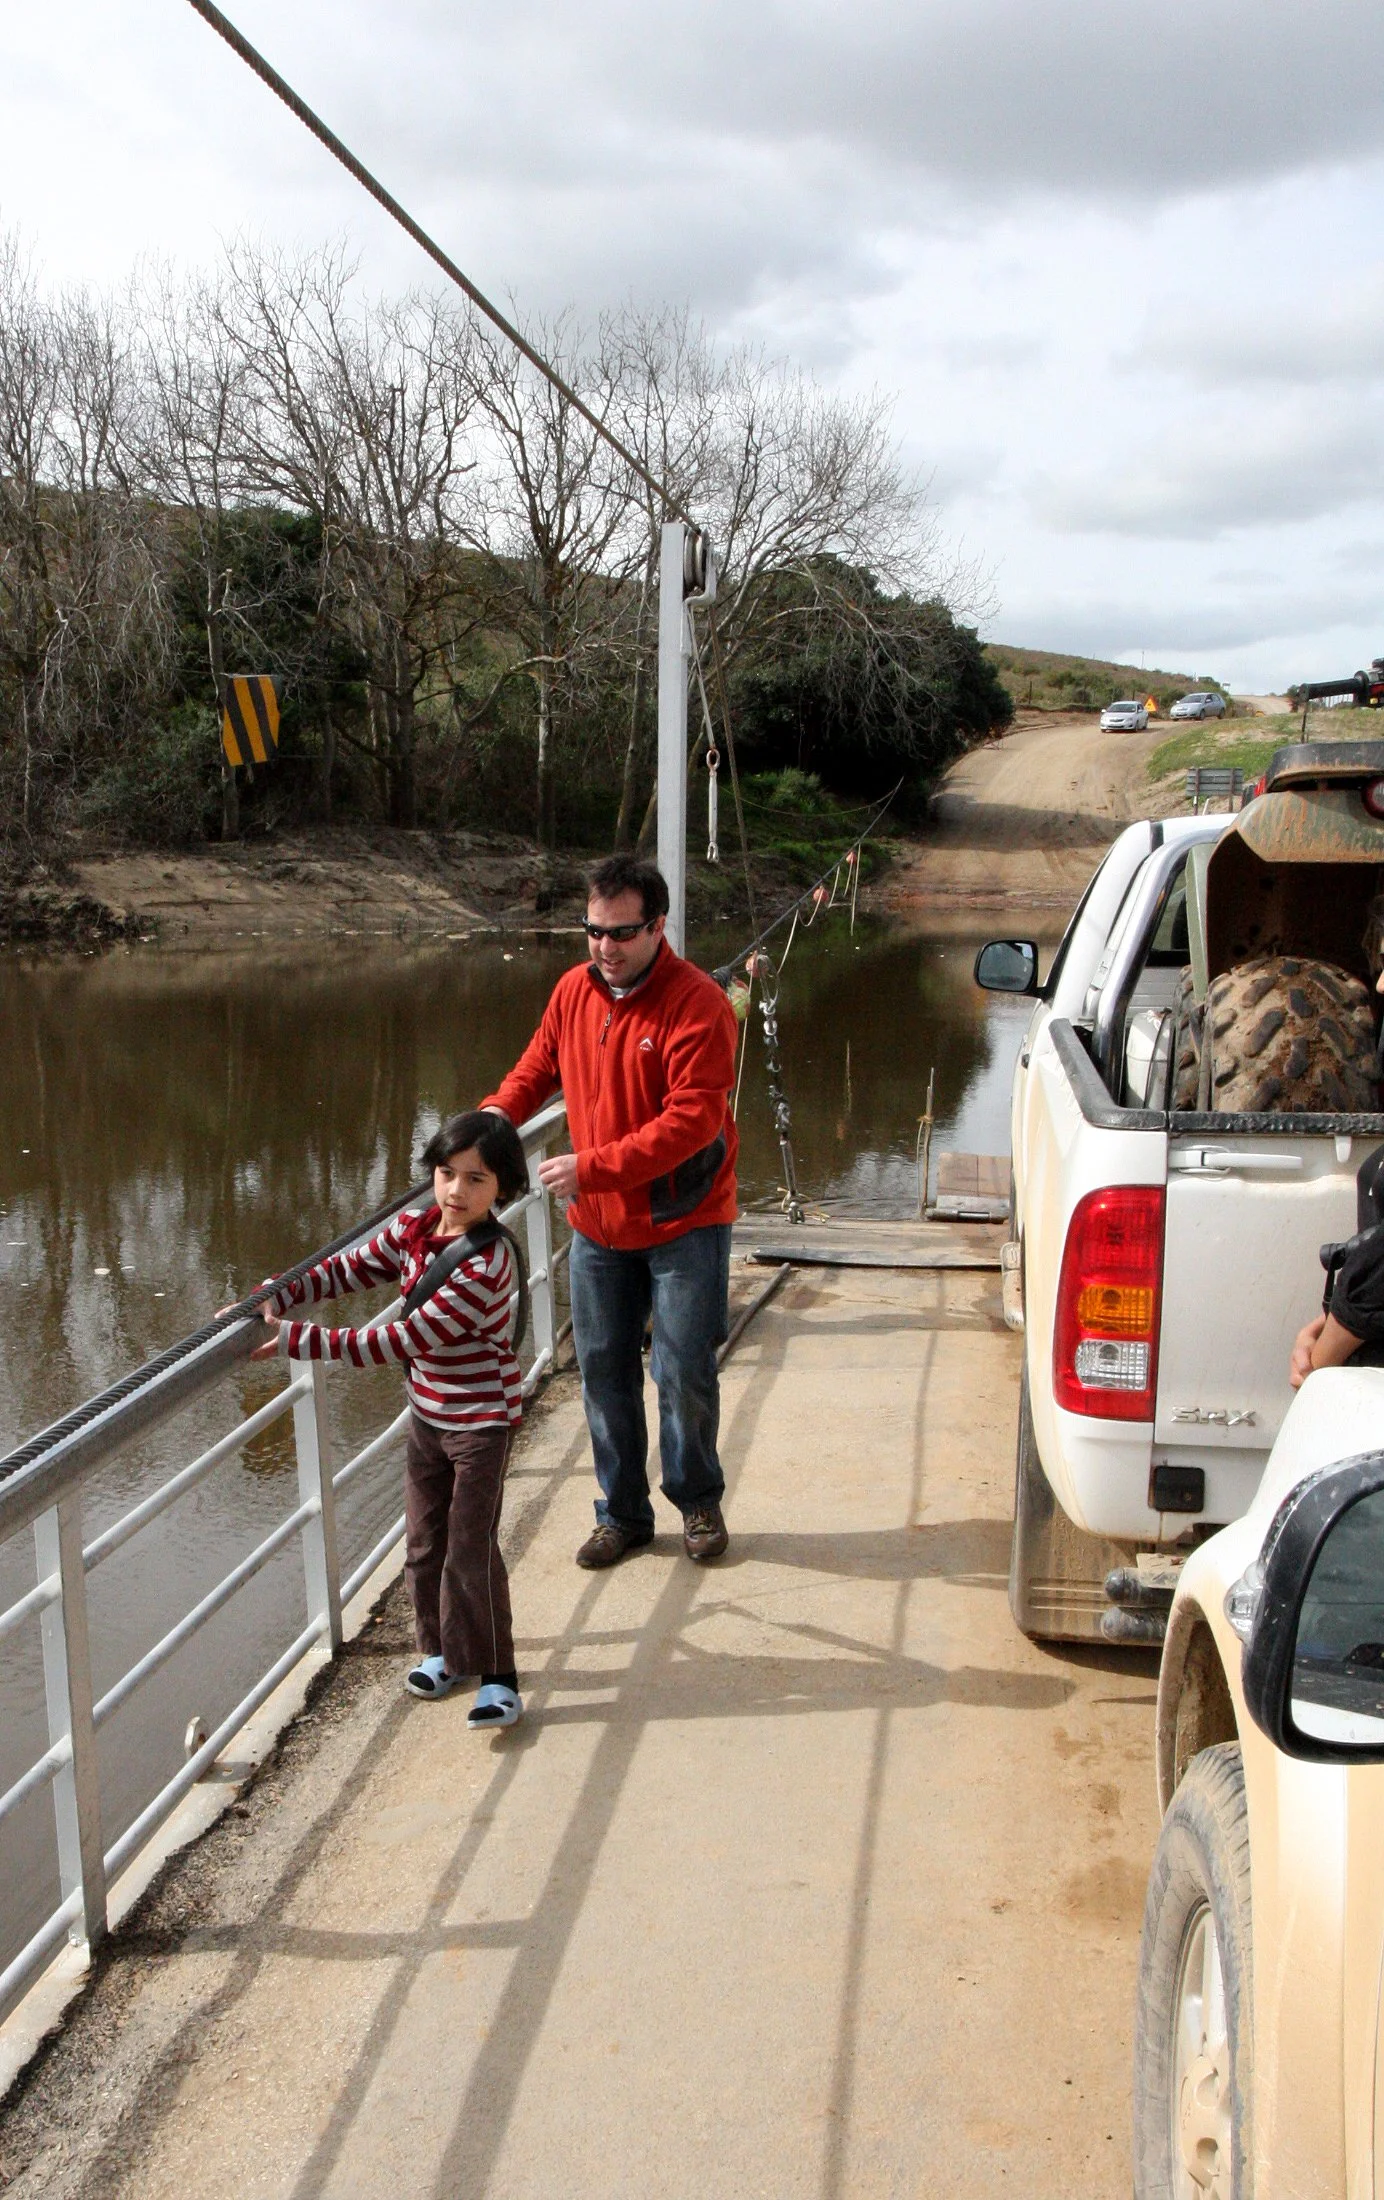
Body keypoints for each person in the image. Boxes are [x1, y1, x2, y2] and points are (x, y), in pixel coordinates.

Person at [483, 853, 739, 1568]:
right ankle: (622, 1514)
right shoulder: (574, 991)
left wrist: (589, 1167)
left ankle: (696, 1501)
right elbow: (538, 1067)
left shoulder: (699, 1004)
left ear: (658, 927)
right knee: (601, 1370)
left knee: (683, 1369)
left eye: (622, 933)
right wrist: (495, 1118)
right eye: (594, 930)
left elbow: (693, 1122)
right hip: (598, 1229)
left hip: (684, 1221)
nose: (606, 947)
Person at [252, 1111, 530, 1727]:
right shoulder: (414, 1228)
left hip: (480, 1423)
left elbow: (404, 1340)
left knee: (470, 1549)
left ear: (503, 1190)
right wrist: (279, 1292)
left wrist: (301, 1338)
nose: (456, 1191)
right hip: (428, 1416)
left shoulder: (487, 1268)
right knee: (424, 1541)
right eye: (446, 1173)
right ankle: (442, 1654)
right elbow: (347, 1269)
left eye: (476, 1180)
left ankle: (500, 1678)